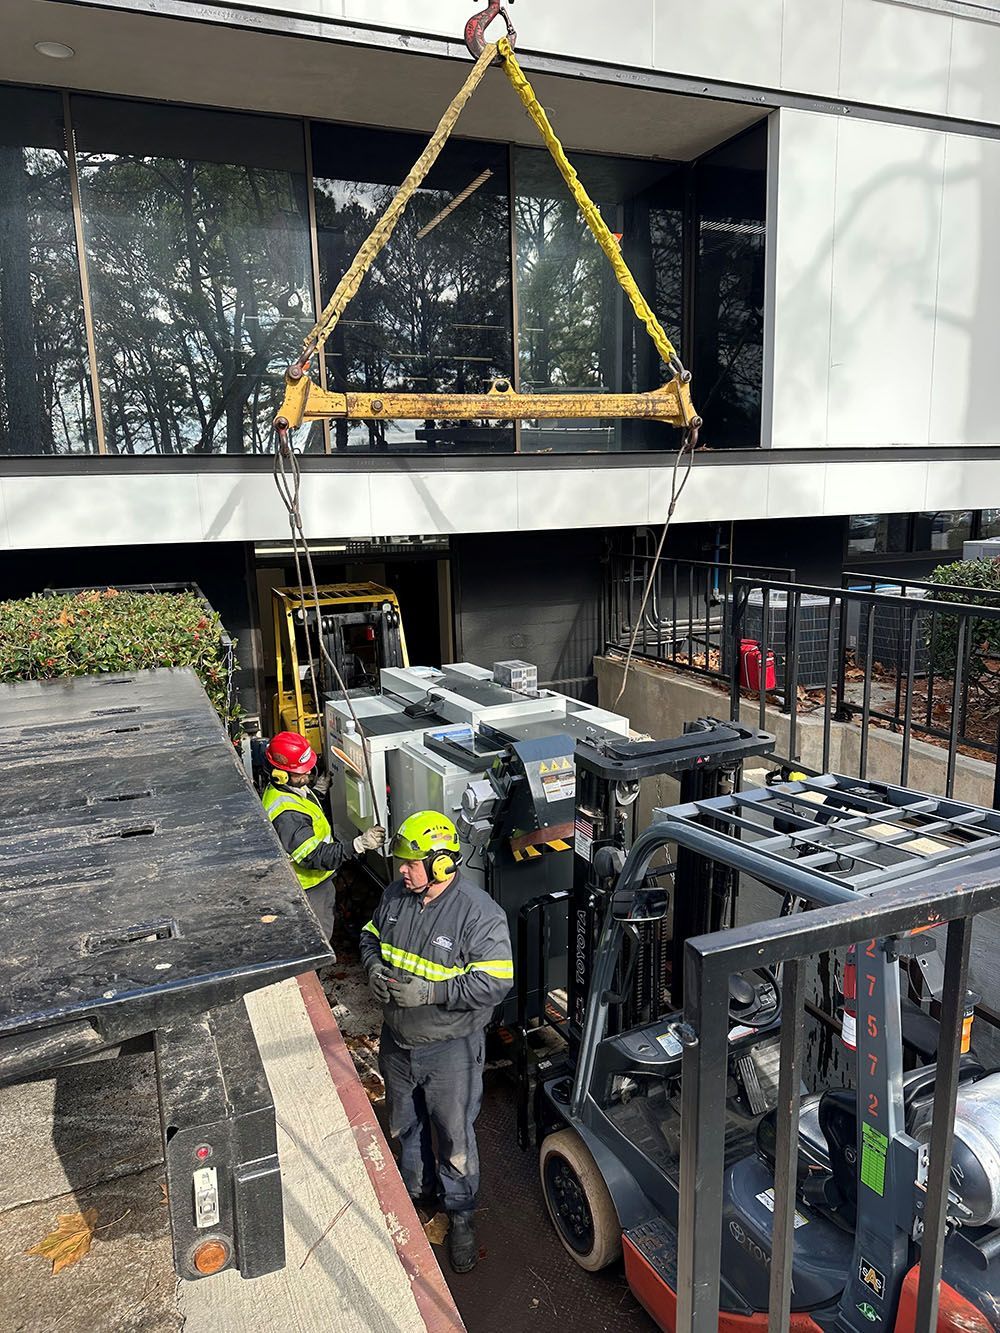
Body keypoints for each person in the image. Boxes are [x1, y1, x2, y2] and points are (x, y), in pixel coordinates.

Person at [360, 810, 513, 1275]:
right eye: (400, 863)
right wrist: (370, 970)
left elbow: (497, 981)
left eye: (410, 863)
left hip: (452, 1051)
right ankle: (416, 1195)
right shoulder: (395, 896)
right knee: (405, 1124)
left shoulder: (478, 913)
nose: (401, 871)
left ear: (443, 864)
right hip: (398, 1043)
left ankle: (461, 1214)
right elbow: (369, 937)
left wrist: (433, 992)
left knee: (454, 1137)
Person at [262, 730, 385, 940]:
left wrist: (318, 791)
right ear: (279, 775)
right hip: (309, 889)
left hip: (319, 882)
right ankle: (315, 973)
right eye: (301, 772)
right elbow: (315, 856)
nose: (307, 776)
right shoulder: (286, 814)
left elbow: (307, 813)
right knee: (318, 939)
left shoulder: (290, 790)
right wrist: (359, 844)